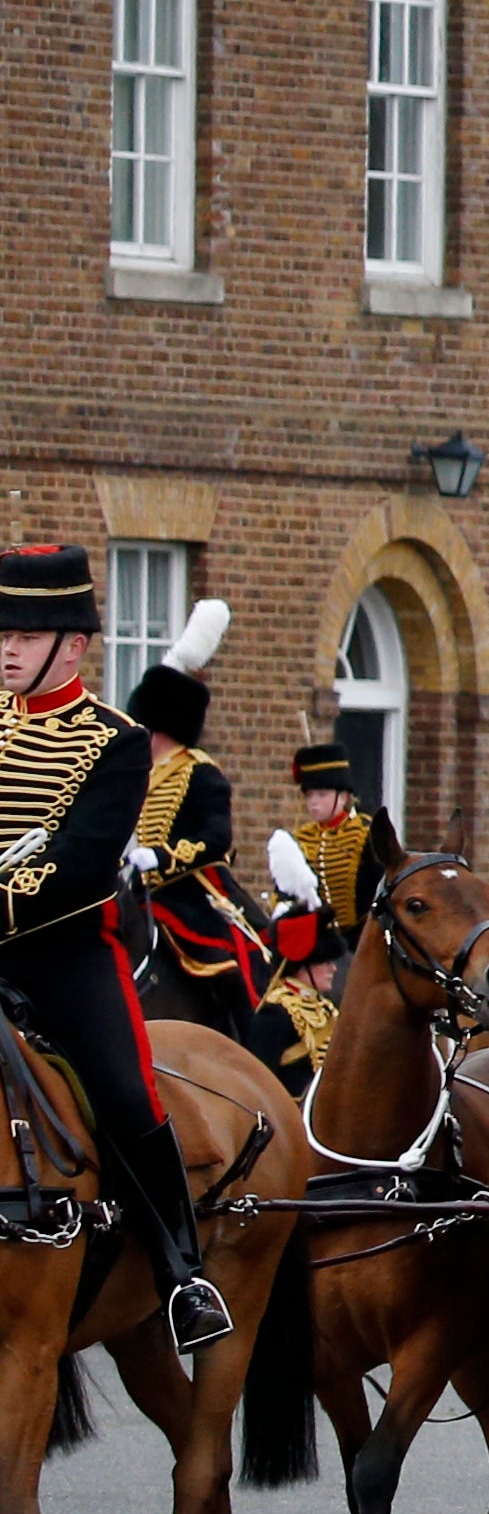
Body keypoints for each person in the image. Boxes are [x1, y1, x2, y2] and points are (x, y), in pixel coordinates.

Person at [0, 545, 228, 1352]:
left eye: (30, 632)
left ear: (75, 645)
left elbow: (80, 863)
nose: (9, 647)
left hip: (64, 958)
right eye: (5, 631)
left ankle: (182, 1273)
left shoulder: (116, 740)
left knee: (127, 1095)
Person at [117, 602, 302, 1072]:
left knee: (232, 963)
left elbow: (215, 838)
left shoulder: (202, 774)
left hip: (196, 892)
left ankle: (255, 1052)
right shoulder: (136, 772)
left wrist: (161, 859)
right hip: (138, 892)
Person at [256, 733, 389, 994]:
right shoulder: (299, 839)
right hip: (314, 946)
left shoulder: (366, 835)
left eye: (321, 794)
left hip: (361, 941)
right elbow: (284, 891)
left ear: (343, 796)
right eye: (309, 796)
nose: (313, 803)